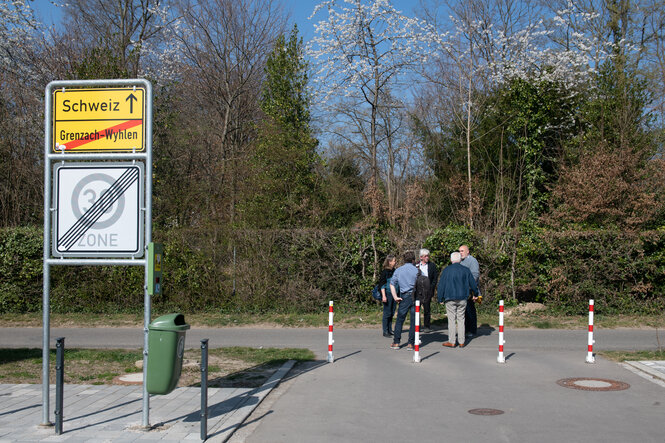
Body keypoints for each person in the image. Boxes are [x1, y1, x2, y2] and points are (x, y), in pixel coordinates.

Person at [437, 251, 478, 348]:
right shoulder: (466, 270)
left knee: (451, 319)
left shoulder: (446, 270)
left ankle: (452, 341)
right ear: (460, 260)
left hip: (450, 297)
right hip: (462, 297)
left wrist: (440, 297)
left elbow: (441, 285)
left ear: (451, 260)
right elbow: (472, 283)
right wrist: (475, 293)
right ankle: (461, 341)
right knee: (461, 319)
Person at [389, 251, 419, 350]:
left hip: (404, 296)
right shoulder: (417, 271)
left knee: (400, 320)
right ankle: (410, 343)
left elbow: (392, 284)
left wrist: (395, 296)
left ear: (404, 259)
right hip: (415, 296)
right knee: (414, 321)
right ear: (413, 260)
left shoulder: (398, 270)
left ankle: (396, 342)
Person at [459, 245, 480, 337]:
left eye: (462, 251)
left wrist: (469, 287)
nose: (460, 253)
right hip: (461, 291)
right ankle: (465, 330)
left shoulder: (472, 261)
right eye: (459, 251)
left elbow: (475, 276)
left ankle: (472, 330)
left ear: (468, 251)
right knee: (463, 312)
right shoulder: (460, 261)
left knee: (470, 310)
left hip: (469, 290)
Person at [416, 249, 438, 332]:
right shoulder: (416, 265)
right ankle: (417, 325)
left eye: (428, 256)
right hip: (418, 290)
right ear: (421, 257)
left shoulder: (432, 265)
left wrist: (431, 287)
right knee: (417, 308)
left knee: (427, 309)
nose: (427, 257)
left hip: (428, 290)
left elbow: (435, 278)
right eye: (425, 256)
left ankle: (427, 326)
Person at [378, 254, 397, 337]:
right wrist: (384, 296)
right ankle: (385, 331)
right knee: (387, 313)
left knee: (392, 312)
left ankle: (389, 329)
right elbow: (382, 284)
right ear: (389, 262)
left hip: (394, 294)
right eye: (394, 261)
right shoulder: (385, 272)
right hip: (387, 293)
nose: (395, 262)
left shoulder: (394, 270)